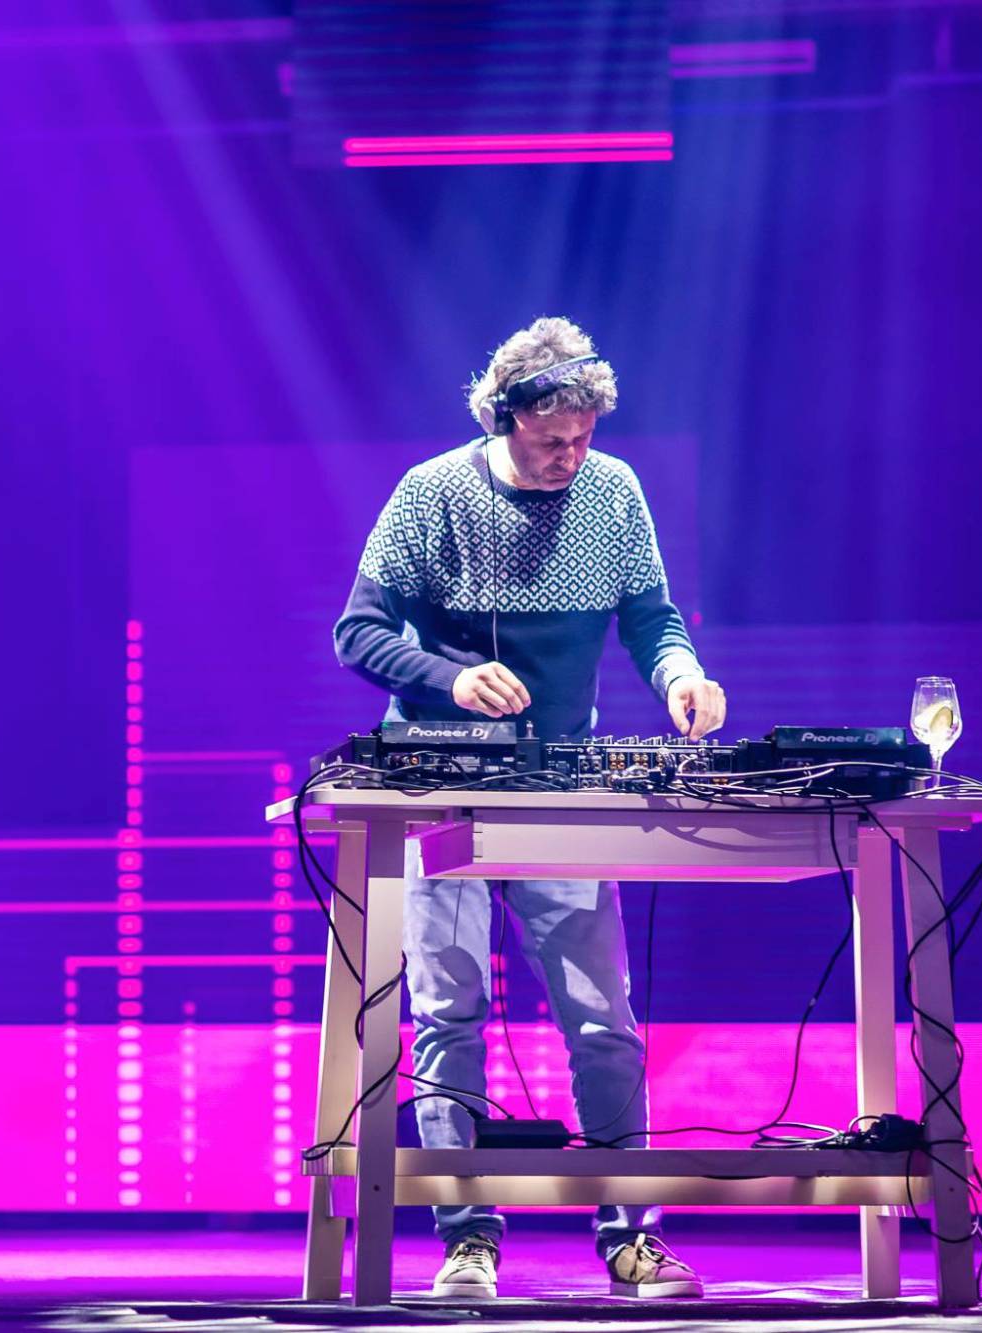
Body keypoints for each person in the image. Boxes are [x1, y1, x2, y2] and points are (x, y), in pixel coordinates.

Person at [333, 318, 726, 1300]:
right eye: (552, 439)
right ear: (500, 418)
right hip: (441, 790)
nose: (570, 455)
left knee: (602, 1020)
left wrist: (681, 674)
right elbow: (357, 631)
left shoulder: (612, 492)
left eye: (584, 436)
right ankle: (468, 1241)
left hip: (561, 788)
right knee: (448, 1016)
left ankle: (631, 1238)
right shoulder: (431, 493)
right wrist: (448, 678)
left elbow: (651, 620)